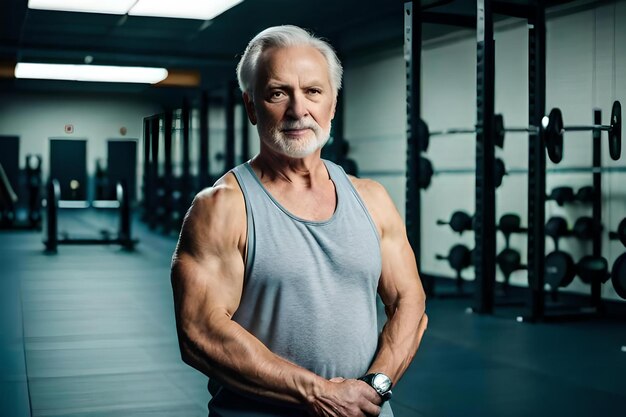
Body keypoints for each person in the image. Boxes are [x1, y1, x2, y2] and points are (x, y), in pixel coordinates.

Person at [170, 25, 428, 417]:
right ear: (252, 107)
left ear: (333, 104)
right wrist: (318, 393)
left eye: (313, 91)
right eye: (278, 93)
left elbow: (410, 302)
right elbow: (200, 334)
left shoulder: (372, 199)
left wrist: (374, 387)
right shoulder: (222, 207)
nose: (298, 110)